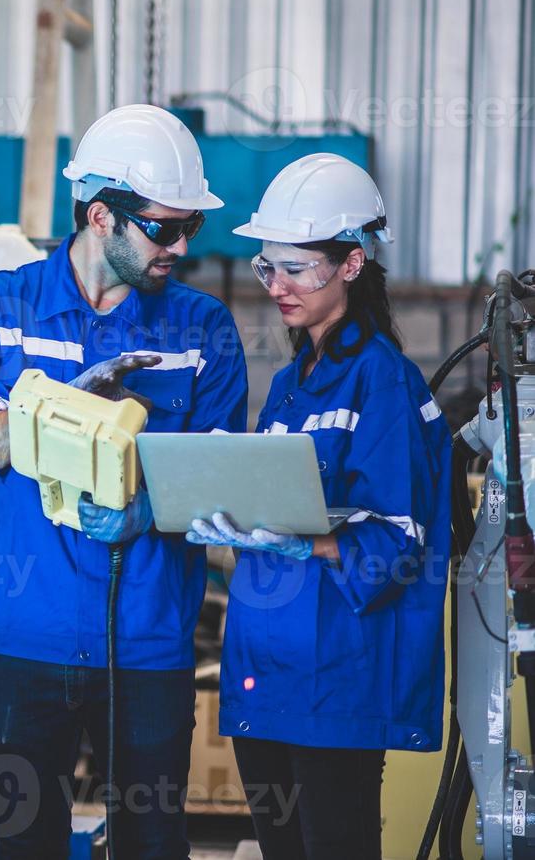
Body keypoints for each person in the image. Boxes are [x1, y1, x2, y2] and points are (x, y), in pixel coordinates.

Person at [0, 104, 249, 859]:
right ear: (102, 215)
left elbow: (217, 479)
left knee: (151, 844)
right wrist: (58, 411)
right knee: (26, 845)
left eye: (188, 229)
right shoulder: (0, 309)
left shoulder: (201, 332)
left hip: (147, 648)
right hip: (17, 647)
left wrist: (145, 511)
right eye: (163, 228)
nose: (179, 246)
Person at [186, 154, 452, 859]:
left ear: (353, 263)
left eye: (297, 268)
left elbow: (399, 541)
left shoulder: (382, 382)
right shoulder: (288, 383)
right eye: (267, 267)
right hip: (266, 671)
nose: (277, 286)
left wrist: (306, 543)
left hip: (335, 683)